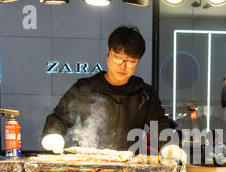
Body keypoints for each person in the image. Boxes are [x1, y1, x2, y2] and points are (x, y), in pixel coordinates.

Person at [41, 26, 185, 162]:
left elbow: (159, 124)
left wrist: (168, 145)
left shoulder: (144, 93)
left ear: (138, 61)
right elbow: (59, 117)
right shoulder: (86, 87)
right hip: (90, 166)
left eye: (131, 61)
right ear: (108, 51)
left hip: (128, 167)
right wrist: (53, 134)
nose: (123, 66)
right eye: (118, 57)